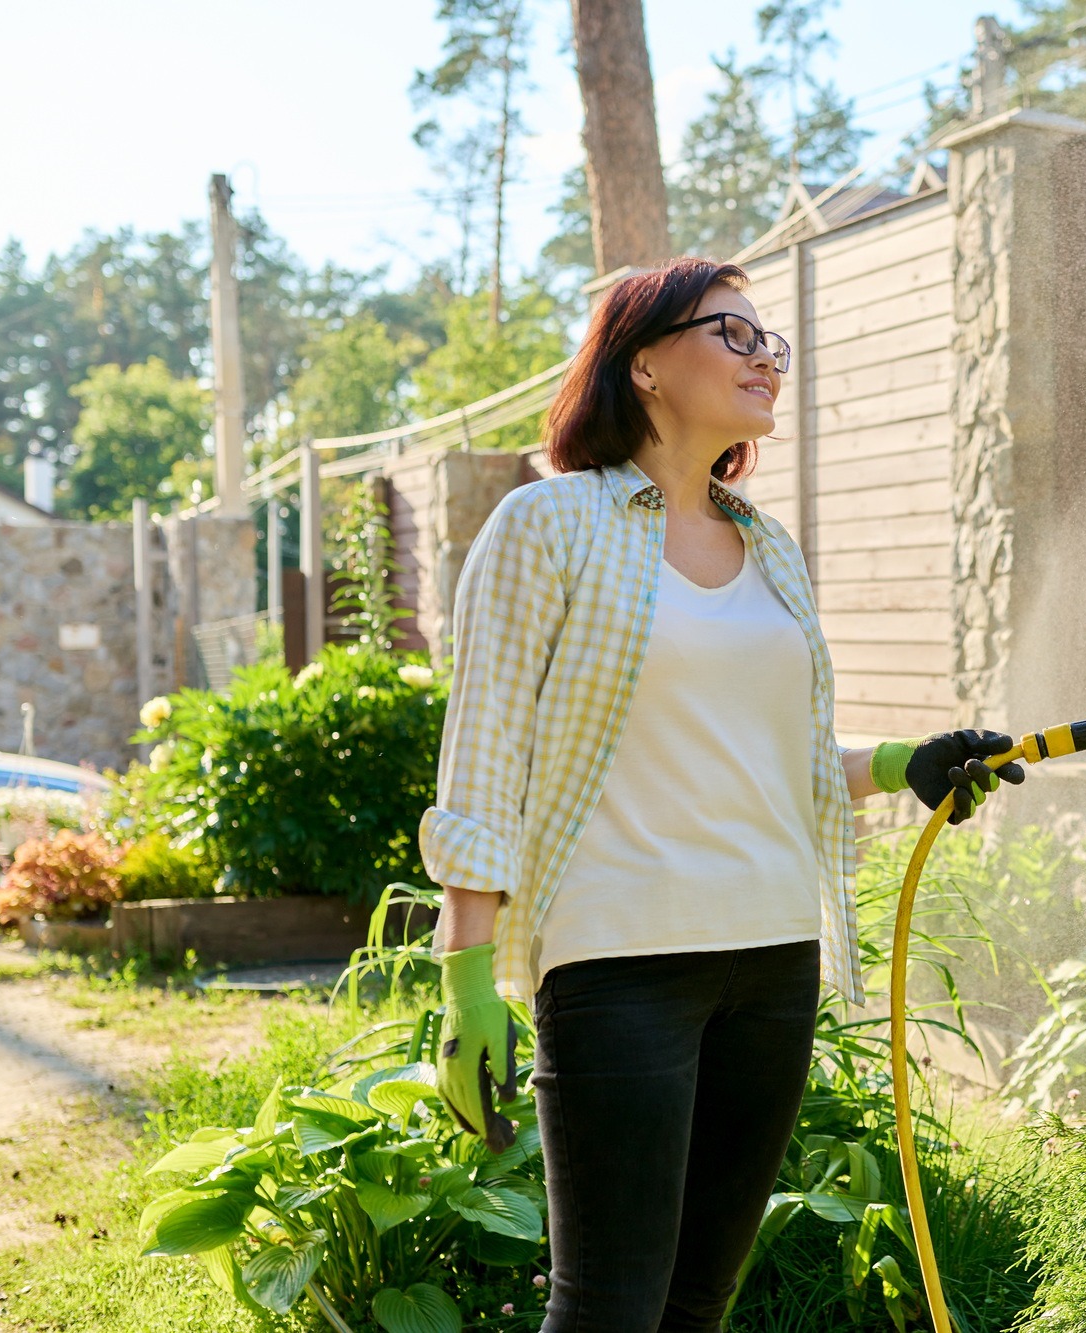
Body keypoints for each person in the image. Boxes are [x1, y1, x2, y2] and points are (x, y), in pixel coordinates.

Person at [419, 256, 1025, 1333]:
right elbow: (485, 757)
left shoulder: (767, 547)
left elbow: (778, 751)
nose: (763, 359)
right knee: (608, 1305)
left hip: (773, 957)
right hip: (619, 961)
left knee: (698, 1302)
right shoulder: (548, 526)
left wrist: (905, 763)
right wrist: (466, 976)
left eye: (769, 342)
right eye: (730, 334)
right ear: (643, 362)